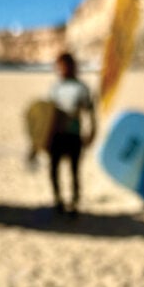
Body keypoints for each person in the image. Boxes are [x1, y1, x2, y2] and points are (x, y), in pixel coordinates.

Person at [47, 52, 96, 215]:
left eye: (64, 66)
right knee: (53, 169)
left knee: (74, 171)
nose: (61, 69)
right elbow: (47, 113)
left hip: (73, 135)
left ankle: (74, 202)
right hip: (57, 135)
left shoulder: (81, 88)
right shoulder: (55, 88)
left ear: (72, 66)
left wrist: (92, 131)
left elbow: (90, 111)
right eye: (59, 66)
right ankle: (58, 200)